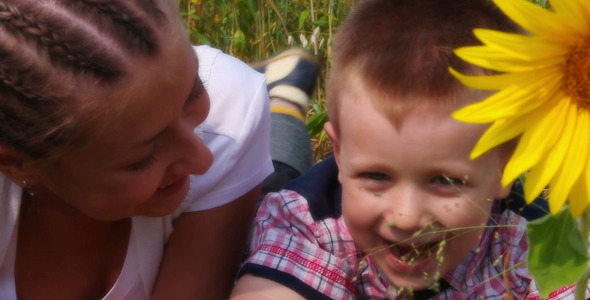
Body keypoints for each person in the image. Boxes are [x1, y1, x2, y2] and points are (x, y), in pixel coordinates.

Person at [230, 0, 574, 298]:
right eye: (376, 175)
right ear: (339, 152)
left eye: (444, 180)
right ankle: (283, 101)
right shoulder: (309, 221)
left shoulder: (537, 237)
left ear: (507, 166)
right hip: (277, 183)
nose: (406, 217)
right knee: (273, 174)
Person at [0, 0, 274, 299]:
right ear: (15, 163)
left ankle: (283, 103)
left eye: (194, 91)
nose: (202, 160)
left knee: (284, 184)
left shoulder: (227, 119)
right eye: (143, 158)